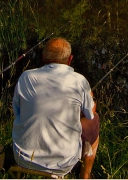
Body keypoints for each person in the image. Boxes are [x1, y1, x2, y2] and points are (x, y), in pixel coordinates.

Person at [12, 37, 99, 178]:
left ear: (43, 57)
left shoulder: (26, 77)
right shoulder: (80, 80)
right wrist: (91, 98)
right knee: (94, 121)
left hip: (22, 158)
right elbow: (90, 114)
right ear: (70, 59)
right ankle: (85, 176)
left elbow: (17, 112)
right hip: (63, 164)